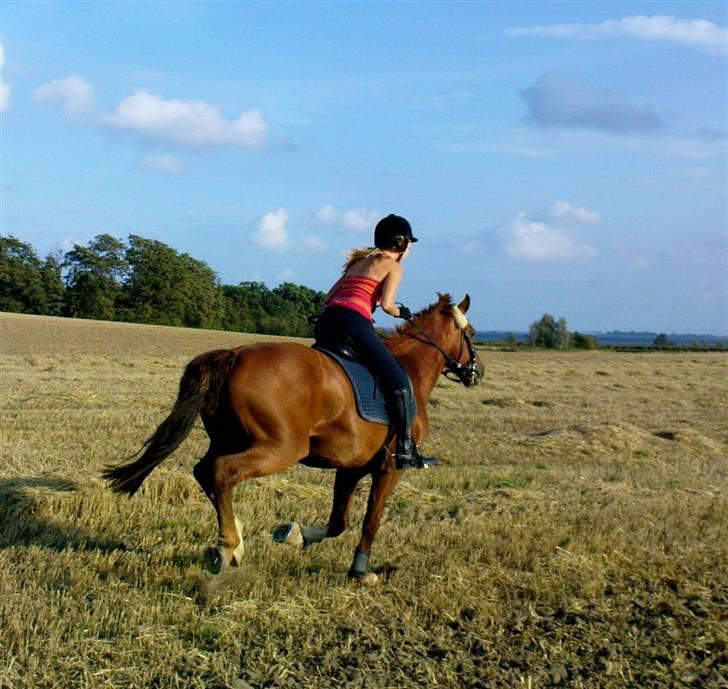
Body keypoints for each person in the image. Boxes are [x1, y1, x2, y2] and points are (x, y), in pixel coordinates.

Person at [314, 213, 438, 470]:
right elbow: (389, 306)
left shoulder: (358, 262)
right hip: (353, 324)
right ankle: (404, 450)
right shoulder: (394, 267)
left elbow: (329, 297)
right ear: (401, 243)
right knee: (400, 382)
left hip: (327, 322)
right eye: (410, 244)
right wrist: (401, 313)